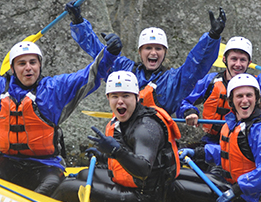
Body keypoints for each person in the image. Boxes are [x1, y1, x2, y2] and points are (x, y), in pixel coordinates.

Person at [0, 33, 122, 196]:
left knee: (52, 185)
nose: (28, 67)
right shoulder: (2, 89)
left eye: (33, 62)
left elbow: (90, 74)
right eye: (22, 63)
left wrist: (110, 54)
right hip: (7, 162)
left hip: (45, 166)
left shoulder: (53, 90)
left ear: (40, 65)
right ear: (13, 68)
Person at [66, 0, 226, 114]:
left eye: (158, 49)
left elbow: (197, 64)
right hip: (123, 142)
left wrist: (212, 37)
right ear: (140, 52)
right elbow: (96, 51)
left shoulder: (175, 80)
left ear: (165, 53)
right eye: (148, 48)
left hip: (157, 145)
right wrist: (78, 22)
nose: (153, 53)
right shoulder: (123, 69)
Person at [52, 71, 181, 202]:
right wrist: (104, 155)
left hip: (144, 197)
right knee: (82, 174)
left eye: (126, 96)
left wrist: (116, 151)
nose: (120, 101)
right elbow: (128, 155)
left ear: (136, 97)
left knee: (66, 188)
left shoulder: (145, 128)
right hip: (133, 185)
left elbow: (143, 169)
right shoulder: (126, 120)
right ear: (108, 98)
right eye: (115, 96)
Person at [172, 73, 261, 202]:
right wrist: (197, 153)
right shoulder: (235, 124)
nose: (245, 100)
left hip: (254, 196)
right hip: (236, 188)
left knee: (178, 187)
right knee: (174, 175)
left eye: (249, 95)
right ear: (231, 101)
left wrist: (236, 190)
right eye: (239, 96)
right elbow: (232, 155)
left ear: (257, 98)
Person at [176, 33, 261, 145]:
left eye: (242, 60)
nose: (238, 64)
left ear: (249, 63)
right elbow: (183, 99)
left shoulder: (254, 85)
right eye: (234, 59)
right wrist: (189, 111)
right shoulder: (211, 80)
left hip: (241, 140)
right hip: (212, 140)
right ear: (224, 59)